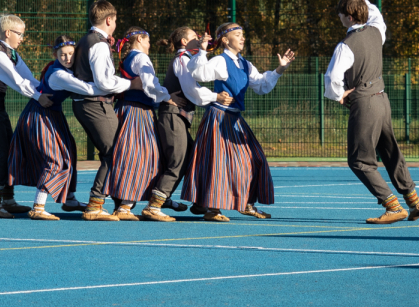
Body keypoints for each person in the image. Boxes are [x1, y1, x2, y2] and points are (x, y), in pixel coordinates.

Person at [324, 0, 419, 224]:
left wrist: (339, 95)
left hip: (365, 104)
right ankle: (414, 200)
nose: (339, 18)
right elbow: (375, 12)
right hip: (382, 99)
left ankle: (392, 206)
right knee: (390, 152)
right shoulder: (376, 31)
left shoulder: (345, 46)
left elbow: (331, 78)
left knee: (360, 160)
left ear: (349, 17)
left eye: (340, 15)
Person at [186, 23, 295, 221]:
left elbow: (262, 85)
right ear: (226, 40)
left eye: (243, 34)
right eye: (238, 35)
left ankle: (244, 202)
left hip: (235, 118)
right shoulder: (220, 60)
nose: (242, 38)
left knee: (255, 159)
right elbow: (198, 74)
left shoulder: (245, 64)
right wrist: (202, 51)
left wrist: (280, 69)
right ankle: (212, 209)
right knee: (218, 163)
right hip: (219, 118)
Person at [143, 26, 231, 221]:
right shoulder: (182, 59)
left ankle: (200, 203)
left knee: (193, 158)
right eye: (194, 37)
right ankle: (154, 205)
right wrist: (216, 96)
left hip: (178, 116)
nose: (198, 39)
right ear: (184, 42)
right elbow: (192, 91)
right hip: (172, 115)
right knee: (179, 160)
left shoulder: (188, 59)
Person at [9, 35, 97, 219]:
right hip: (39, 115)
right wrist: (121, 86)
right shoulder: (59, 74)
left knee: (70, 151)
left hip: (53, 114)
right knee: (55, 159)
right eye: (63, 55)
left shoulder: (65, 69)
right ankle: (38, 207)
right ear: (55, 54)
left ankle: (70, 199)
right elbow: (89, 89)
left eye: (71, 54)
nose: (68, 58)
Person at [71, 0, 139, 221]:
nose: (116, 23)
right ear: (109, 19)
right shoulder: (98, 43)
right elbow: (104, 83)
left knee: (112, 152)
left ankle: (119, 204)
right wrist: (131, 84)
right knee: (114, 153)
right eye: (116, 19)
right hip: (95, 104)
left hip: (90, 103)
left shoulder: (88, 40)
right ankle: (95, 204)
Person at [0, 14, 42, 218]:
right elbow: (19, 83)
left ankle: (8, 199)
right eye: (20, 34)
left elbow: (29, 79)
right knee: (2, 154)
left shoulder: (12, 54)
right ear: (8, 33)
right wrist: (41, 98)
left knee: (10, 151)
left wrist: (50, 90)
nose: (22, 38)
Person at [104, 27, 170, 220]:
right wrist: (166, 96)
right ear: (140, 39)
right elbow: (150, 85)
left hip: (125, 109)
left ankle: (123, 203)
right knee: (139, 156)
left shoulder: (128, 58)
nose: (149, 45)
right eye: (148, 41)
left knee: (126, 154)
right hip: (137, 112)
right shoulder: (141, 58)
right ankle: (125, 205)